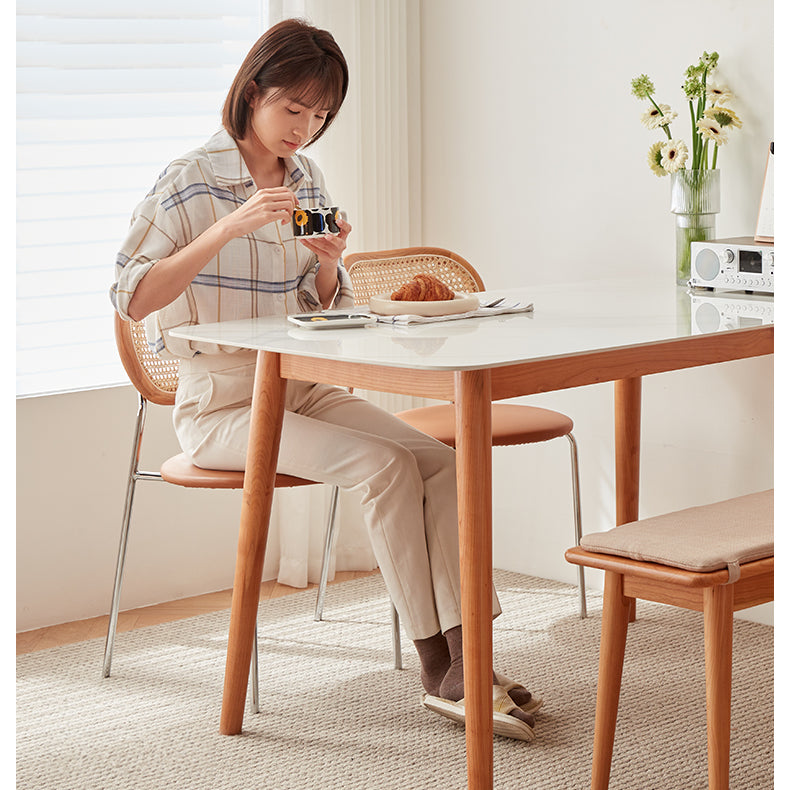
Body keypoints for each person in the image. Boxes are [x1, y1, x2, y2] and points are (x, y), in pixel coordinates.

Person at [110, 18, 540, 740]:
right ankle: (443, 669)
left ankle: (472, 656)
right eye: (293, 109)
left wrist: (332, 261)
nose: (303, 129)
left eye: (319, 116)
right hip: (221, 406)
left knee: (440, 459)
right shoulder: (188, 183)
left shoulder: (307, 178)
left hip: (301, 385)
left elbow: (322, 309)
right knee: (384, 467)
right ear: (252, 92)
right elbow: (131, 296)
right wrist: (227, 229)